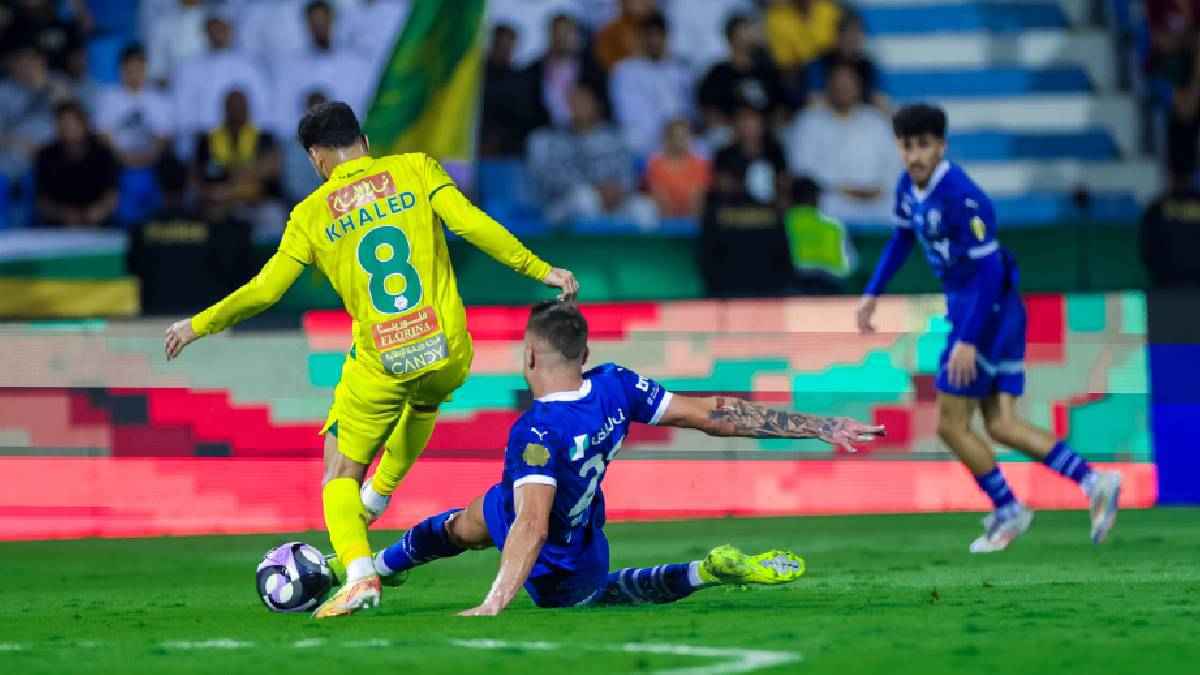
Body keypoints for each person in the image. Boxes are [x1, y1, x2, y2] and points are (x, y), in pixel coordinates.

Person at [162, 101, 579, 618]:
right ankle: (377, 500)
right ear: (363, 141)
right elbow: (471, 224)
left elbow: (265, 291)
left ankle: (359, 575)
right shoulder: (416, 168)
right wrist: (540, 269)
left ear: (316, 157)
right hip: (447, 347)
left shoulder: (310, 214)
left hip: (384, 357)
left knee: (338, 471)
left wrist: (197, 325)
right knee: (425, 401)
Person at [328, 301, 884, 615]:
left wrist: (494, 601)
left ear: (529, 356)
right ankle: (372, 570)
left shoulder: (536, 431)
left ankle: (701, 573)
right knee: (471, 520)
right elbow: (715, 414)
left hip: (558, 558)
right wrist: (821, 425)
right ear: (585, 353)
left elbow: (533, 525)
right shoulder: (615, 385)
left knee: (590, 593)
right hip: (578, 524)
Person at [854, 104, 1123, 553]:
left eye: (924, 145)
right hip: (990, 312)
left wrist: (967, 338)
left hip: (986, 313)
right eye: (907, 145)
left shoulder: (962, 196)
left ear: (942, 146)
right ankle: (1095, 481)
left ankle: (1009, 509)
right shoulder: (907, 187)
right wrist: (871, 293)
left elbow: (989, 270)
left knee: (950, 423)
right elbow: (901, 239)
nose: (915, 155)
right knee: (1001, 423)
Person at [784, 61, 899, 225]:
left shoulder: (877, 121)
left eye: (849, 83)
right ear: (828, 86)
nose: (843, 89)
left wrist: (877, 189)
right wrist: (843, 188)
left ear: (859, 86)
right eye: (838, 83)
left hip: (877, 199)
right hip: (831, 199)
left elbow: (894, 163)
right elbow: (802, 169)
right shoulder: (808, 121)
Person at [526, 84, 656, 228]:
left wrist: (619, 190)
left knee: (644, 207)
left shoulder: (614, 137)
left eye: (584, 102)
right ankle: (591, 244)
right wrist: (596, 189)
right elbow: (553, 180)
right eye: (574, 103)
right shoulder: (553, 140)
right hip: (566, 204)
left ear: (596, 105)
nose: (578, 107)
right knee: (586, 199)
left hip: (614, 199)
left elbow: (628, 173)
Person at [608, 10, 691, 158]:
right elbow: (628, 116)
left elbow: (687, 112)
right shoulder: (625, 71)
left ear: (667, 37)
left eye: (658, 35)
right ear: (639, 38)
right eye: (649, 35)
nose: (654, 41)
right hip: (642, 145)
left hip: (679, 141)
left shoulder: (680, 70)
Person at [33, 100, 119, 227]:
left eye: (72, 123)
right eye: (62, 124)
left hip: (98, 225)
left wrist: (98, 212)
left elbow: (112, 194)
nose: (67, 128)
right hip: (57, 226)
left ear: (84, 124)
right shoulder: (46, 155)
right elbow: (42, 201)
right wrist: (62, 214)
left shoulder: (103, 153)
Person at [696, 14, 788, 134]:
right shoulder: (718, 74)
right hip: (730, 134)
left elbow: (781, 105)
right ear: (731, 38)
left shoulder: (767, 71)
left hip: (765, 133)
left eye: (749, 31)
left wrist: (764, 127)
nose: (747, 37)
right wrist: (737, 128)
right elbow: (708, 109)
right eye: (743, 32)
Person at [93, 44, 174, 171]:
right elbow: (102, 133)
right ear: (121, 69)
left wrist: (151, 156)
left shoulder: (159, 99)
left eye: (138, 68)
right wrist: (122, 156)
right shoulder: (108, 97)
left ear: (146, 68)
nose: (134, 73)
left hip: (152, 160)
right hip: (116, 160)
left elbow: (164, 136)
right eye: (129, 69)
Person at [1139, 171, 1200, 288]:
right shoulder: (1156, 209)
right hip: (1175, 285)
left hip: (1166, 287)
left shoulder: (1156, 208)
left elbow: (1147, 251)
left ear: (1169, 172)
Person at [644, 118, 710, 218]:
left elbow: (697, 199)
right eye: (677, 137)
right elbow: (660, 198)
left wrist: (690, 221)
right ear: (667, 139)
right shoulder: (655, 164)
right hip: (663, 217)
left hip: (692, 218)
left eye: (685, 136)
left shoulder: (700, 164)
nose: (682, 141)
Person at [593, 0, 656, 71]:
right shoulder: (610, 32)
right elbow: (606, 64)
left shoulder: (658, 30)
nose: (644, 3)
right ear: (623, 3)